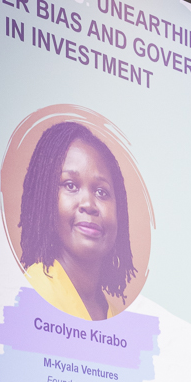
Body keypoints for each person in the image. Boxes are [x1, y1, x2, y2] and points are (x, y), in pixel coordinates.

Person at [18, 121, 136, 322]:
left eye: (101, 192)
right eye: (70, 185)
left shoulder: (116, 319)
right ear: (45, 197)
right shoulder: (32, 293)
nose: (89, 204)